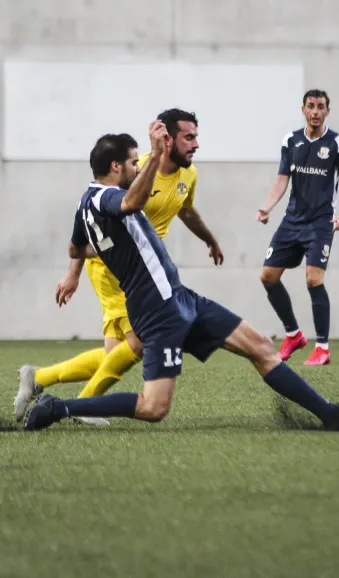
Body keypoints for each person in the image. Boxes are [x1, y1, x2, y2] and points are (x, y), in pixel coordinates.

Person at [21, 123, 339, 432]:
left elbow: (75, 248)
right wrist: (155, 154)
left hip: (179, 297)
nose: (137, 166)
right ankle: (59, 407)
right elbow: (130, 204)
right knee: (153, 407)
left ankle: (330, 414)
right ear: (115, 167)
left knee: (260, 346)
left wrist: (107, 250)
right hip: (156, 310)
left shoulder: (85, 204)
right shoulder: (106, 197)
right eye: (133, 162)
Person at [13, 109, 224, 424]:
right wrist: (73, 273)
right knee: (138, 343)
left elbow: (187, 211)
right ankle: (83, 405)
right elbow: (94, 220)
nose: (194, 145)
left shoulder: (187, 175)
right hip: (117, 269)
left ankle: (40, 378)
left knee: (119, 352)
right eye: (188, 138)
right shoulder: (137, 171)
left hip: (147, 269)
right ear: (168, 140)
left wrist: (210, 240)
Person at [256, 89, 339, 367]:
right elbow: (282, 179)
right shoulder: (291, 140)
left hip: (320, 223)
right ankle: (293, 335)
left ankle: (322, 348)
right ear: (303, 110)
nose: (315, 111)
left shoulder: (337, 143)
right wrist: (267, 207)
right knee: (267, 276)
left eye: (320, 106)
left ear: (327, 111)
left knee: (313, 279)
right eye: (311, 106)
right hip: (292, 221)